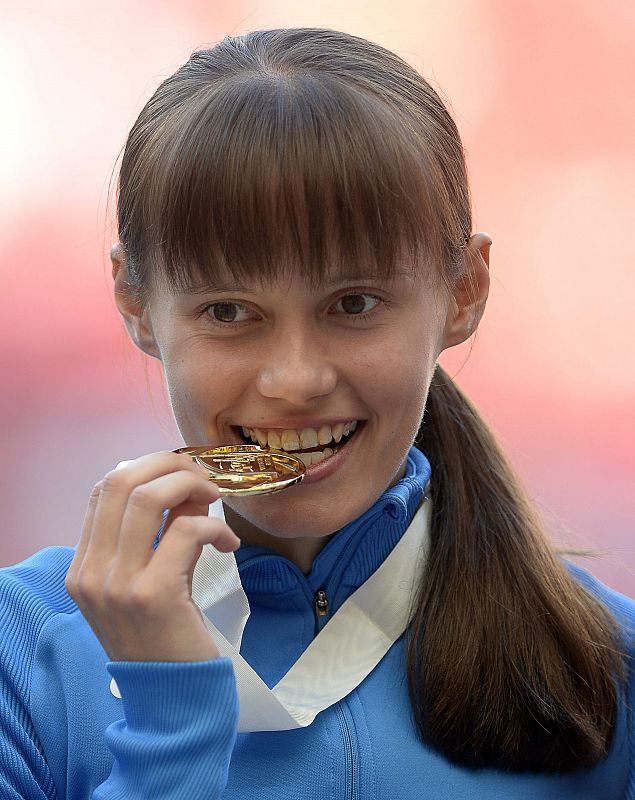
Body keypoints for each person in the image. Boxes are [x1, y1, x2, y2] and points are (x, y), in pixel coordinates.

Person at [0, 26, 633, 800]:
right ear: (135, 303)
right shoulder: (21, 652)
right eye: (228, 311)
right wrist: (169, 721)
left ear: (464, 291)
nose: (294, 380)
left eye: (353, 304)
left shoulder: (607, 666)